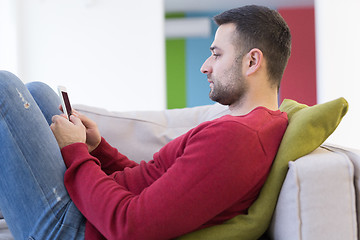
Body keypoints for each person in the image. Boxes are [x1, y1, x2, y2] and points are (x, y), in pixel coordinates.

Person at [0, 5, 291, 240]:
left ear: (252, 62)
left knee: (4, 88)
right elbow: (149, 180)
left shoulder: (239, 139)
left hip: (76, 229)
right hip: (89, 217)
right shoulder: (245, 128)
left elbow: (132, 227)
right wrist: (97, 148)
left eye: (216, 54)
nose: (205, 66)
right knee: (38, 91)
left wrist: (75, 150)